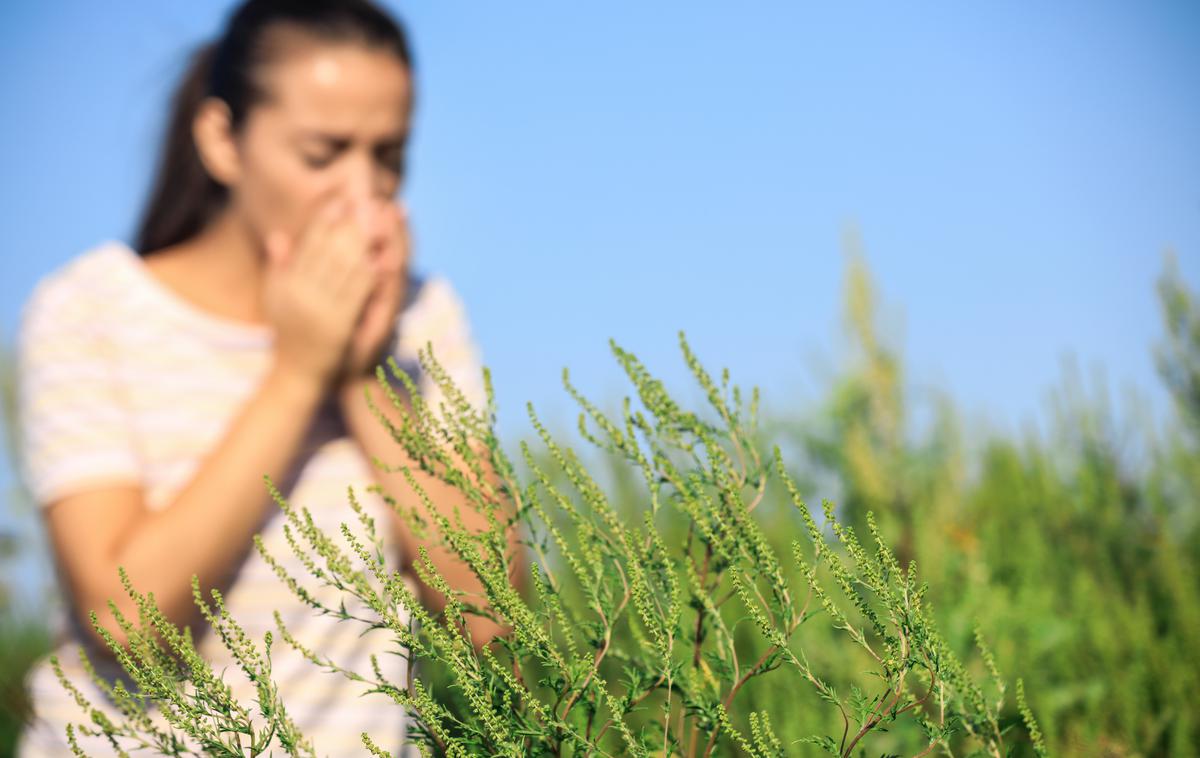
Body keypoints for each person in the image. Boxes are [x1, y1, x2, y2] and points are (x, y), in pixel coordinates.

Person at [13, 1, 513, 754]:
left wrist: (362, 374)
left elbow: (493, 620)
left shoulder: (423, 319)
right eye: (323, 154)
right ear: (222, 139)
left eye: (389, 157)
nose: (363, 192)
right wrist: (297, 373)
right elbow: (126, 621)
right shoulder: (92, 308)